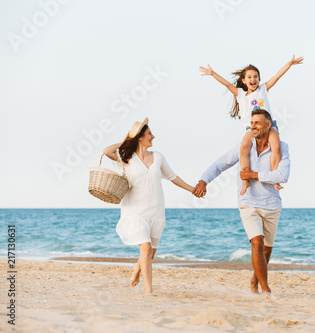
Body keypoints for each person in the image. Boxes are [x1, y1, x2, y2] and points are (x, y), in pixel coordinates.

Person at [193, 110, 290, 295]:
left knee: (267, 251)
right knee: (256, 243)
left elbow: (283, 176)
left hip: (272, 204)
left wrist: (253, 175)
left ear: (268, 125)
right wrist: (204, 180)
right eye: (252, 123)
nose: (253, 126)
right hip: (248, 202)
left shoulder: (282, 147)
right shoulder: (244, 146)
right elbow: (220, 164)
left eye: (257, 123)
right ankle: (265, 289)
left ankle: (254, 280)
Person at [103, 118, 194, 294]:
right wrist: (127, 140)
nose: (153, 136)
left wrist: (192, 190)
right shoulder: (126, 158)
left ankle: (137, 271)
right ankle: (149, 291)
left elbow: (173, 177)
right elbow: (107, 151)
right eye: (149, 133)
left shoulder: (158, 157)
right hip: (135, 211)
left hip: (156, 211)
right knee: (145, 248)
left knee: (149, 253)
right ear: (139, 137)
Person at [199, 55, 302, 195]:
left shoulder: (263, 90)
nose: (253, 79)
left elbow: (277, 77)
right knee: (244, 148)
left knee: (276, 146)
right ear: (243, 80)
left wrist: (289, 64)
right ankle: (246, 179)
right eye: (249, 77)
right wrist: (212, 73)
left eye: (256, 76)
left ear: (259, 79)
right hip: (250, 128)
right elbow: (227, 84)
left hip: (269, 126)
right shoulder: (241, 94)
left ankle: (275, 179)